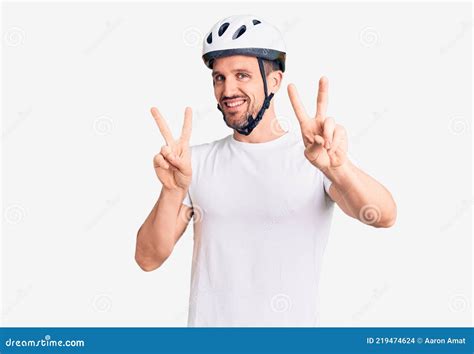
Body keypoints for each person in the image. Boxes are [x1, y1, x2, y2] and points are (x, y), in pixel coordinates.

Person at [135, 14, 397, 327]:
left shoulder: (314, 158)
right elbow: (148, 259)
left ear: (274, 81)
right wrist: (173, 189)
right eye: (219, 77)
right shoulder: (193, 164)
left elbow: (383, 215)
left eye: (242, 75)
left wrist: (339, 168)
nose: (227, 89)